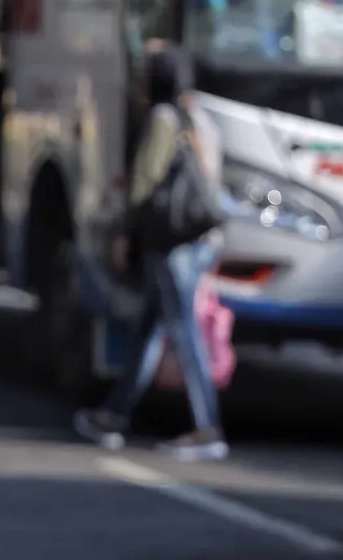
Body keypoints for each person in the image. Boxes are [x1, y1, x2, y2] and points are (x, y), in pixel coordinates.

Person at [73, 48, 229, 462]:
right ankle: (112, 415)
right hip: (201, 238)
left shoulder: (163, 120)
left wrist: (127, 235)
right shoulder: (203, 120)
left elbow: (144, 184)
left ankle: (207, 427)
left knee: (183, 331)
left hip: (172, 242)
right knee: (151, 328)